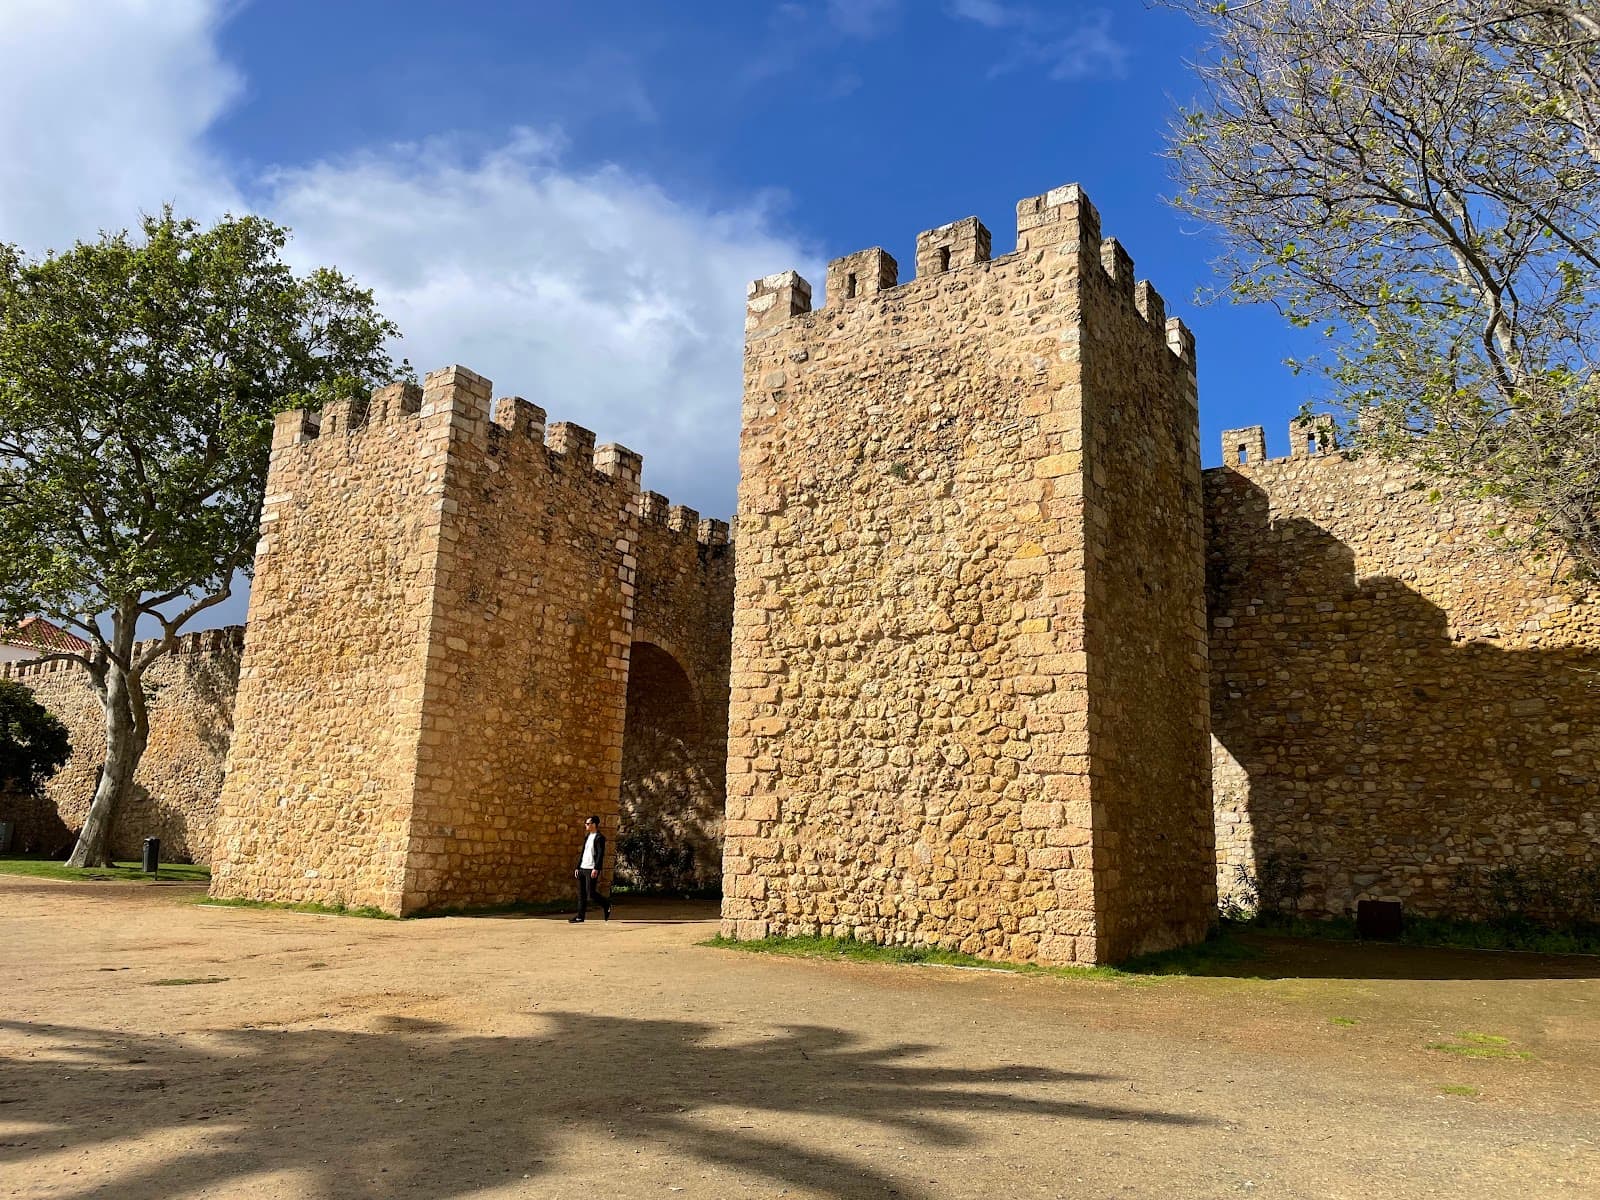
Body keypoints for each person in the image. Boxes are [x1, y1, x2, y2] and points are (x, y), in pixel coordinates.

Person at [571, 813, 611, 923]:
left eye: (588, 823)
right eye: (586, 824)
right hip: (583, 868)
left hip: (591, 868)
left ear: (594, 824)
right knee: (581, 894)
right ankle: (580, 916)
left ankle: (606, 904)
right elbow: (583, 853)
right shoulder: (587, 837)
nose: (586, 825)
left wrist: (596, 868)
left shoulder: (600, 838)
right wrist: (578, 867)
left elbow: (600, 854)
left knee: (591, 893)